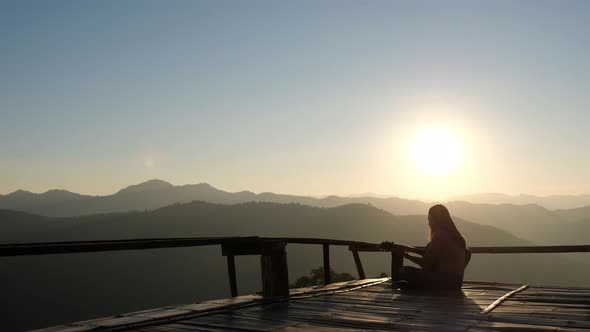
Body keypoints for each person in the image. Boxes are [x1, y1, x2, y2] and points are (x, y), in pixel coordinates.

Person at [396, 204, 470, 291]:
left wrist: (407, 256)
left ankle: (417, 287)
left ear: (436, 220)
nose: (429, 223)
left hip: (442, 282)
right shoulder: (458, 237)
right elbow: (468, 253)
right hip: (456, 284)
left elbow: (427, 264)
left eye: (430, 219)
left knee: (404, 271)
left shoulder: (440, 235)